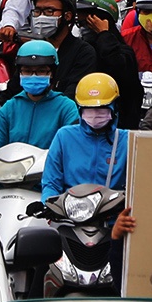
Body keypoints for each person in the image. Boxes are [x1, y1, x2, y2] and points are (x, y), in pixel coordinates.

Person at [41, 75, 138, 252]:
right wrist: (48, 207)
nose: (95, 115)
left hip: (112, 228)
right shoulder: (64, 137)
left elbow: (137, 187)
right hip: (69, 224)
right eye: (89, 109)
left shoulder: (127, 140)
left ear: (115, 107)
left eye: (101, 109)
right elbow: (51, 182)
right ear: (79, 109)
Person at [0, 39, 79, 153]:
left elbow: (72, 148)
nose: (33, 76)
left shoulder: (66, 108)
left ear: (51, 73)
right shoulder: (10, 108)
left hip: (50, 164)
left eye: (41, 71)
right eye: (27, 71)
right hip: (13, 164)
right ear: (19, 73)